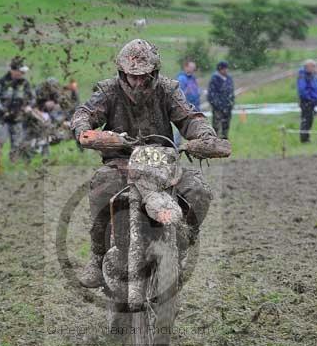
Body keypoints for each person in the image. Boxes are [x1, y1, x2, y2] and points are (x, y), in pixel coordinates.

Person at [70, 39, 229, 289]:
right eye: (132, 76)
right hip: (121, 161)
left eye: (143, 76)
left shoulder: (167, 89)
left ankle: (184, 238)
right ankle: (97, 257)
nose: (138, 82)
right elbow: (85, 113)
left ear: (154, 72)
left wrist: (205, 136)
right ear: (122, 72)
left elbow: (189, 117)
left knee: (198, 189)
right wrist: (84, 130)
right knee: (102, 185)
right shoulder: (109, 91)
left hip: (162, 162)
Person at [0, 57, 34, 167]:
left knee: (17, 144)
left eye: (23, 72)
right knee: (0, 141)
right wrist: (3, 110)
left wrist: (28, 106)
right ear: (13, 70)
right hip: (3, 119)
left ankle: (14, 165)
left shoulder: (25, 83)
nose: (23, 74)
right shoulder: (1, 83)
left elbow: (32, 98)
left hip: (18, 118)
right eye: (21, 71)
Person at [207, 60, 235, 139]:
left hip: (228, 107)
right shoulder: (214, 79)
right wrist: (218, 105)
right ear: (220, 69)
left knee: (226, 127)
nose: (226, 70)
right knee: (217, 127)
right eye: (224, 69)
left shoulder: (229, 78)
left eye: (226, 68)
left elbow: (231, 92)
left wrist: (231, 103)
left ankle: (225, 141)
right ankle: (215, 142)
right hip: (218, 109)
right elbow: (211, 95)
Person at [297, 59, 317, 143]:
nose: (315, 68)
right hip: (306, 101)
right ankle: (304, 139)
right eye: (313, 66)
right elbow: (302, 90)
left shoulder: (312, 75)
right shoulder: (303, 76)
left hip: (312, 101)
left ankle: (306, 138)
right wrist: (310, 98)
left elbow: (315, 88)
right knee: (306, 120)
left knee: (310, 120)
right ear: (308, 67)